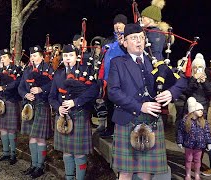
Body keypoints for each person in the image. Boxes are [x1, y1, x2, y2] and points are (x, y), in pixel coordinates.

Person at [108, 23, 187, 179]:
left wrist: (171, 93)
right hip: (127, 120)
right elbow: (113, 92)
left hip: (152, 122)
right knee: (125, 172)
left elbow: (182, 81)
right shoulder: (118, 63)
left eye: (141, 38)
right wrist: (139, 106)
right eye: (133, 38)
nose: (139, 41)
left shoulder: (155, 62)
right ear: (124, 42)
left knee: (146, 172)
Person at [48, 44, 99, 180]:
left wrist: (75, 102)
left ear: (76, 57)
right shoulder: (58, 73)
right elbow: (52, 96)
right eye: (65, 56)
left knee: (79, 153)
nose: (68, 58)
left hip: (80, 113)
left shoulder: (85, 70)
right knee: (66, 152)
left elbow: (94, 91)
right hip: (63, 116)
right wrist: (58, 107)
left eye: (70, 55)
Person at [18, 45, 53, 178]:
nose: (33, 58)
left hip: (42, 105)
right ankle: (33, 164)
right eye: (31, 55)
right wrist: (26, 95)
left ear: (42, 57)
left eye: (35, 55)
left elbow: (53, 84)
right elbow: (21, 87)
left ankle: (40, 166)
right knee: (31, 137)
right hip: (29, 107)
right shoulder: (27, 70)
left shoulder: (48, 68)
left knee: (40, 138)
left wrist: (41, 89)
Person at [97, 14, 128, 136]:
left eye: (120, 23)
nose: (118, 25)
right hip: (108, 78)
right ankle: (110, 129)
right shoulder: (108, 41)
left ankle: (121, 131)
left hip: (123, 78)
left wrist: (123, 44)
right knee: (109, 104)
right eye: (115, 23)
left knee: (121, 104)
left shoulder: (128, 40)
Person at [0, 49, 22, 165]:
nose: (2, 59)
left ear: (10, 58)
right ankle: (5, 153)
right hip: (1, 102)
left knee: (11, 130)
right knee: (2, 129)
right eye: (1, 58)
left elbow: (17, 83)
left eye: (4, 57)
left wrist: (3, 88)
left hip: (12, 101)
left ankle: (13, 154)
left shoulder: (17, 69)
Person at [177, 97, 211, 180]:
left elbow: (207, 133)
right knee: (188, 160)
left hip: (199, 145)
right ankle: (188, 174)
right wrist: (180, 141)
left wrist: (209, 142)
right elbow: (180, 131)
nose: (201, 111)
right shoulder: (185, 121)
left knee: (198, 160)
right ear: (193, 111)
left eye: (202, 110)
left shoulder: (204, 122)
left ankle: (197, 174)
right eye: (199, 110)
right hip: (189, 144)